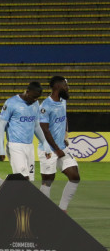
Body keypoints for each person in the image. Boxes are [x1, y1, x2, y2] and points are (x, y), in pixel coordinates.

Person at [38, 76, 80, 211]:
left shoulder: (63, 101)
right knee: (48, 181)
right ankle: (43, 211)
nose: (68, 88)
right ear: (58, 86)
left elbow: (64, 119)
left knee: (74, 176)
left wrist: (64, 136)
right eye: (66, 85)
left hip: (62, 147)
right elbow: (44, 129)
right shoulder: (45, 105)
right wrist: (56, 149)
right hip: (49, 150)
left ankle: (62, 209)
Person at [0, 82, 50, 182]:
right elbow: (1, 125)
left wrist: (45, 143)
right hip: (15, 145)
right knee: (23, 179)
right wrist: (0, 147)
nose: (35, 100)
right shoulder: (11, 102)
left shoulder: (36, 103)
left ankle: (16, 195)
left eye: (37, 98)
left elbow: (36, 126)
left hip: (29, 147)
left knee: (30, 181)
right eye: (33, 97)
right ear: (27, 91)